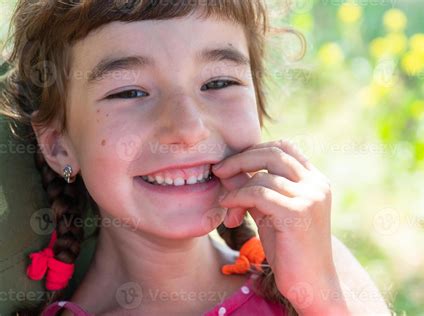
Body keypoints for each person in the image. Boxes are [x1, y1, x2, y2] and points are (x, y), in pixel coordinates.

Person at [0, 1, 391, 315]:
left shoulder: (322, 271)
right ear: (58, 146)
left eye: (218, 82)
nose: (188, 127)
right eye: (130, 92)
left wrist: (322, 299)